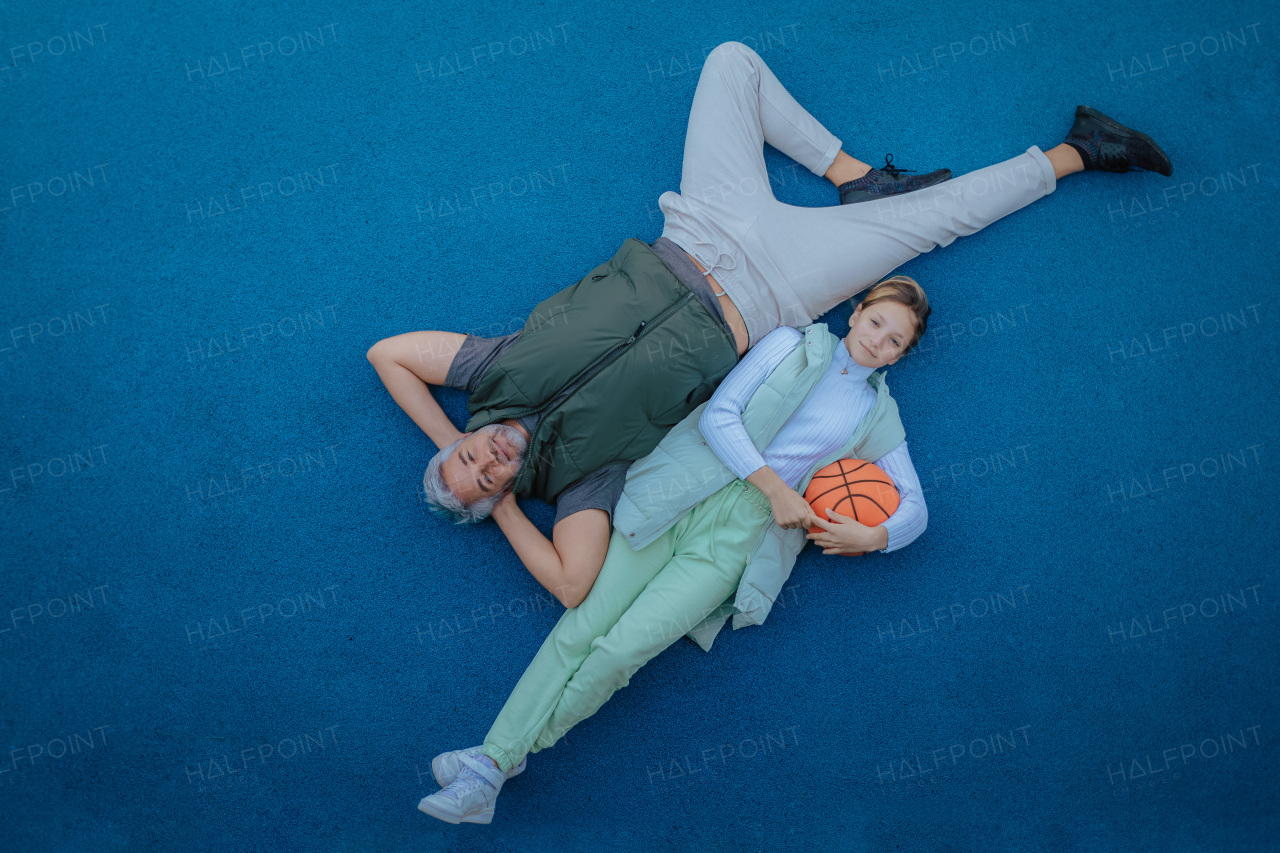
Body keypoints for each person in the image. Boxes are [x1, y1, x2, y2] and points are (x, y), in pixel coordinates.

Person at [368, 40, 1172, 608]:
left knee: (731, 62)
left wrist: (445, 440)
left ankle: (855, 177)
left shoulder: (488, 371)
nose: (486, 458)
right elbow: (573, 583)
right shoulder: (579, 483)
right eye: (485, 478)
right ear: (504, 491)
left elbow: (389, 354)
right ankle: (1080, 149)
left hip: (699, 228)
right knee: (935, 221)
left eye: (470, 454)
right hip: (773, 293)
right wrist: (508, 506)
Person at [416, 275, 933, 824]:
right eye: (876, 321)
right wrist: (778, 487)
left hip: (741, 536)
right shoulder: (790, 343)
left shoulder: (878, 416)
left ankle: (491, 764)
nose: (879, 340)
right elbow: (719, 417)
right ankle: (493, 764)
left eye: (895, 340)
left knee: (621, 654)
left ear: (901, 355)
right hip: (682, 491)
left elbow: (916, 509)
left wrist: (874, 536)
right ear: (855, 313)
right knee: (580, 629)